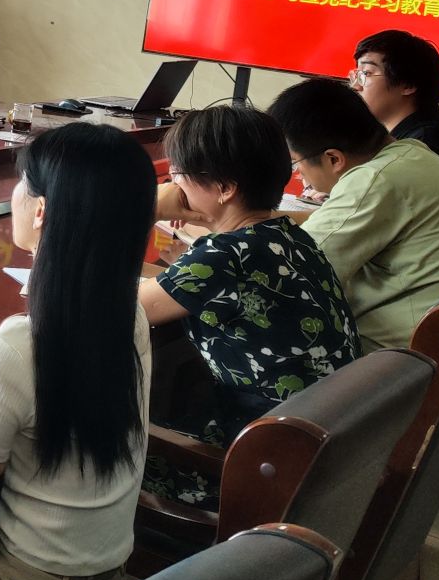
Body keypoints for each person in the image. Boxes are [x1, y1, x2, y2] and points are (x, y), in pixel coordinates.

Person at [0, 122, 155, 580]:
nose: (13, 194)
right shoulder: (130, 315)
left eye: (21, 183)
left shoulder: (9, 351)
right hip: (109, 570)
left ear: (42, 211)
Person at [137, 105, 357, 500]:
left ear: (225, 188)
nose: (174, 185)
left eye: (178, 175)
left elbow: (116, 305)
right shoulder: (287, 235)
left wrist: (145, 208)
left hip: (257, 466)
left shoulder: (223, 257)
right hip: (314, 451)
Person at [267, 78, 439, 352]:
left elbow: (291, 270)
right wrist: (262, 218)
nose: (297, 174)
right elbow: (327, 222)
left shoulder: (374, 180)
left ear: (333, 159)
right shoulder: (409, 154)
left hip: (415, 364)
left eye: (295, 162)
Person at [350, 30, 439, 199]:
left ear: (407, 85)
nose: (355, 86)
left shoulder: (427, 140)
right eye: (356, 74)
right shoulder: (420, 131)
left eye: (366, 74)